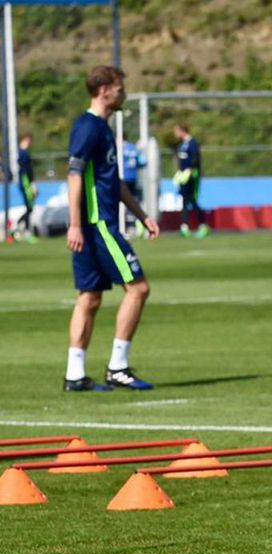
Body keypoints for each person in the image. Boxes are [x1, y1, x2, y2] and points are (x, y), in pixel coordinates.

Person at [64, 65, 160, 392]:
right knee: (139, 288)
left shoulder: (101, 128)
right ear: (104, 89)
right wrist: (75, 224)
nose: (124, 93)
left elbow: (112, 181)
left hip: (93, 224)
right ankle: (118, 367)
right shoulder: (89, 128)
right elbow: (75, 174)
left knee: (89, 297)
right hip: (98, 225)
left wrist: (141, 213)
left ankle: (75, 375)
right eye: (120, 88)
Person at [173, 123, 209, 239]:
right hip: (183, 176)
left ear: (182, 130)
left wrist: (191, 171)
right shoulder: (181, 144)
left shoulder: (192, 143)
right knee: (183, 200)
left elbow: (195, 159)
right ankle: (184, 227)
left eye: (177, 131)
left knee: (192, 201)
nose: (175, 133)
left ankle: (203, 225)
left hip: (191, 176)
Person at [121, 139, 147, 236]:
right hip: (133, 178)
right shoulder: (133, 148)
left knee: (122, 203)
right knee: (134, 201)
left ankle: (125, 226)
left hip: (123, 178)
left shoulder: (120, 148)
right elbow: (143, 161)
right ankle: (137, 225)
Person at [16, 133, 37, 243]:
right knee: (29, 207)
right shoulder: (22, 154)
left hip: (26, 183)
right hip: (25, 184)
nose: (29, 143)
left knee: (30, 208)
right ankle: (25, 230)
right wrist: (30, 185)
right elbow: (26, 172)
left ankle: (19, 224)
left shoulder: (24, 154)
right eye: (27, 141)